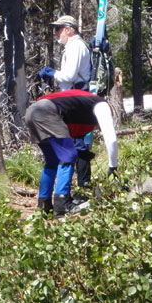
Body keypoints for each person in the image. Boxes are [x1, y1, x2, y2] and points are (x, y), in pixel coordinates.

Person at [24, 88, 119, 216]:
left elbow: (68, 133)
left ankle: (44, 205)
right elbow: (111, 139)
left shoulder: (82, 105)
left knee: (52, 161)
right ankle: (62, 203)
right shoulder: (102, 106)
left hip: (32, 111)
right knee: (68, 156)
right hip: (46, 112)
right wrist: (113, 168)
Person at [38, 15, 95, 190]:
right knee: (76, 142)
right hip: (75, 98)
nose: (55, 33)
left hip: (77, 98)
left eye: (58, 29)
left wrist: (52, 73)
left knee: (76, 143)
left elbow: (69, 76)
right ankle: (79, 187)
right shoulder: (74, 46)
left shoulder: (75, 46)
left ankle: (81, 187)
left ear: (68, 29)